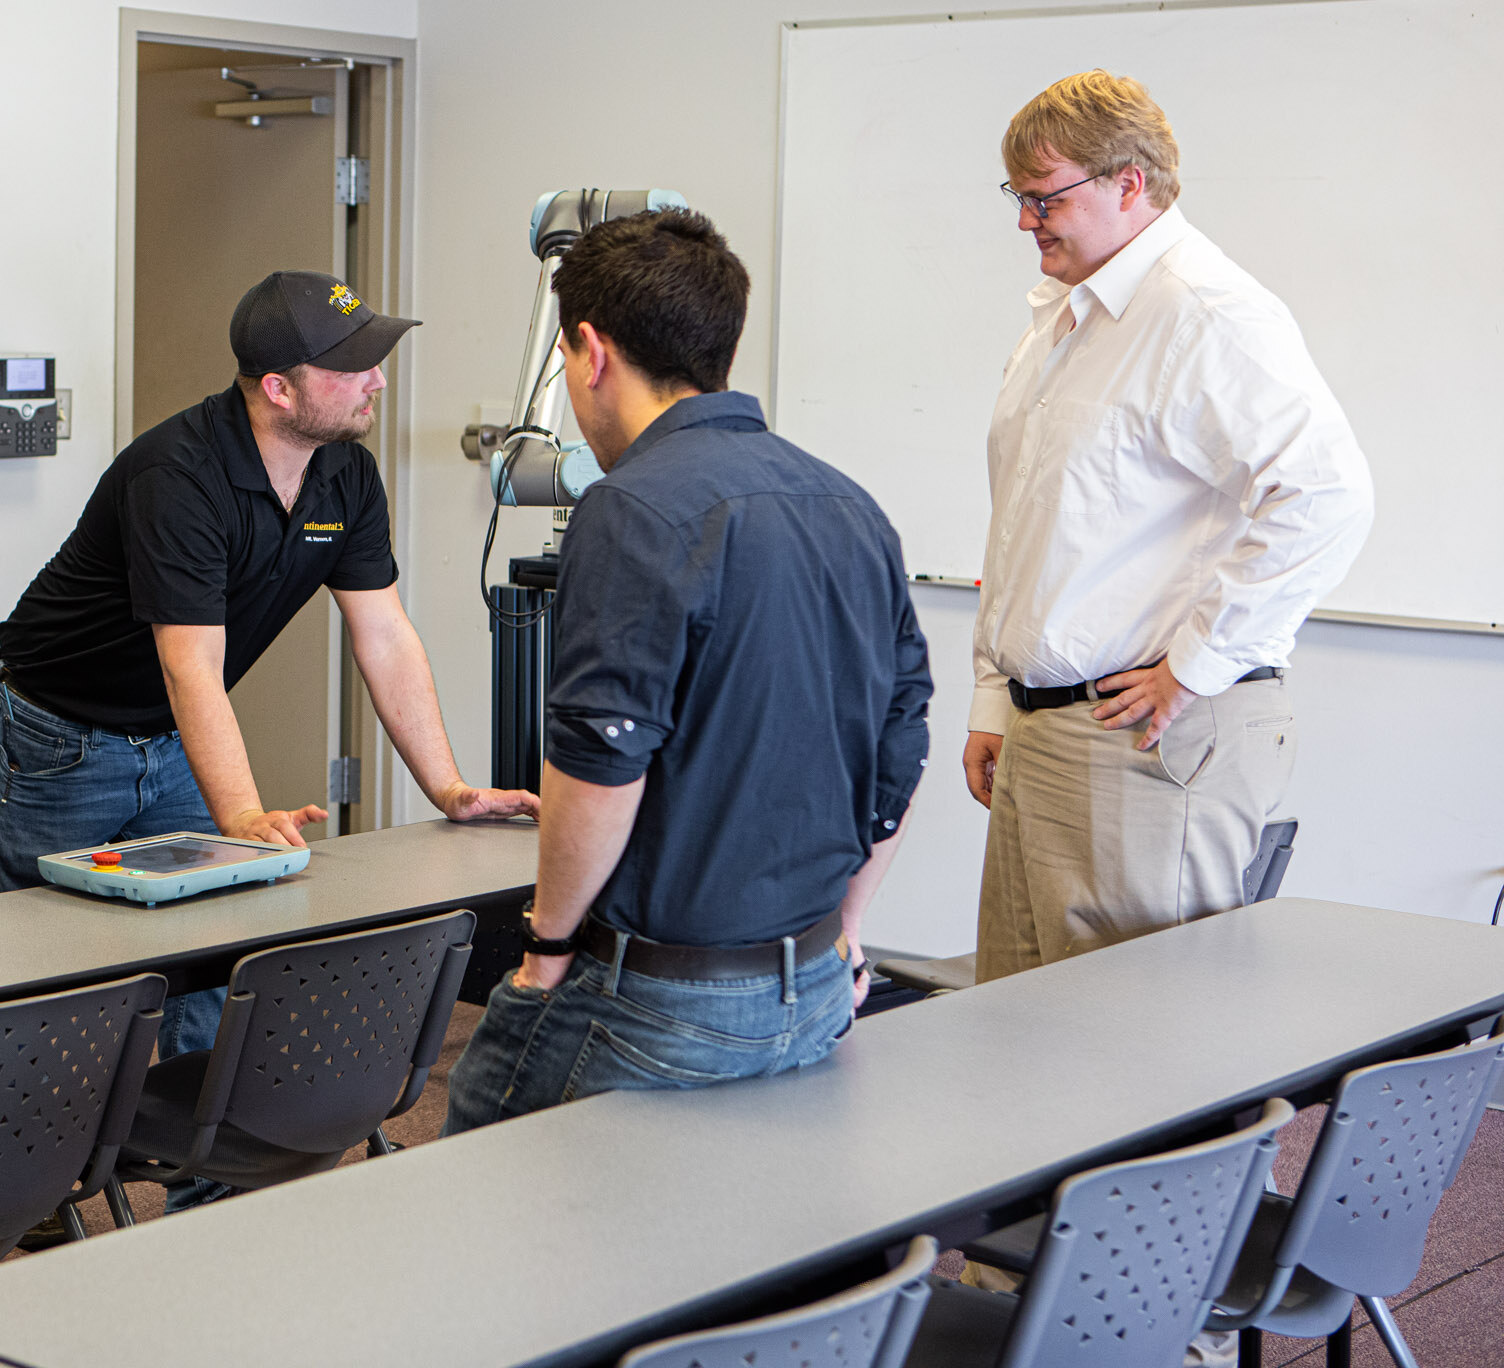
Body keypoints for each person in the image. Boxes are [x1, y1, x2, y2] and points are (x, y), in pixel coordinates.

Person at [0, 270, 538, 1204]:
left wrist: (449, 788)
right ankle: (19, 1207)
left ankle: (207, 1193)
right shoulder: (180, 475)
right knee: (56, 986)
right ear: (278, 387)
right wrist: (238, 810)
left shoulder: (345, 475)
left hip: (177, 737)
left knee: (212, 975)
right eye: (354, 365)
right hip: (61, 735)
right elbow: (189, 665)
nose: (379, 381)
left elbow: (385, 633)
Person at [443, 209, 931, 1135]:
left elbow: (600, 765)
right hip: (819, 987)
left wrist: (545, 949)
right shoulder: (851, 506)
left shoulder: (629, 510)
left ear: (589, 352)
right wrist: (847, 930)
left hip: (658, 1007)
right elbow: (900, 753)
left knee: (472, 1185)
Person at [966, 71, 1373, 982]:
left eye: (1047, 198)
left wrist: (1194, 665)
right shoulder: (1063, 323)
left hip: (1145, 738)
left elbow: (1328, 494)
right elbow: (1028, 531)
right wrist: (1000, 700)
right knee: (1010, 1043)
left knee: (1137, 1065)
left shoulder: (1204, 312)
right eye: (1019, 198)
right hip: (1048, 735)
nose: (1027, 221)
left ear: (1129, 183)